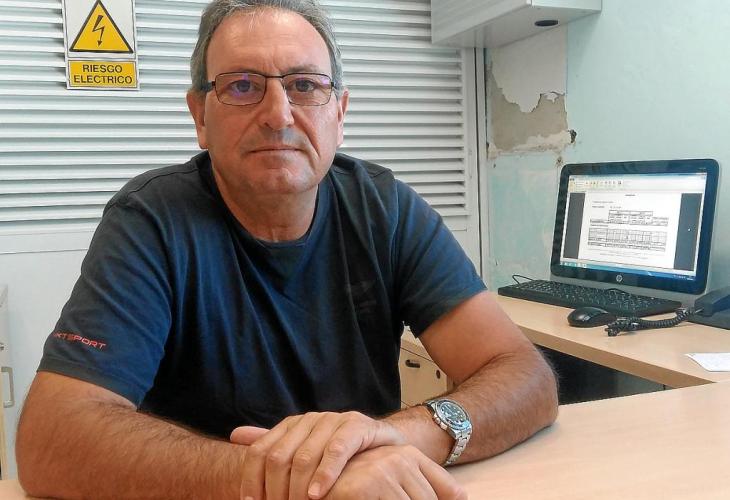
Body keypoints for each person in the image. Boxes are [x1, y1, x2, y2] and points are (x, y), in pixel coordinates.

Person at [16, 0, 558, 498]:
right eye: (242, 86)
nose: (278, 114)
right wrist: (295, 476)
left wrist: (395, 437)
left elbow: (524, 375)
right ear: (200, 116)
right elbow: (51, 440)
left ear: (339, 112)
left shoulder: (387, 210)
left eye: (304, 85)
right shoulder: (151, 221)